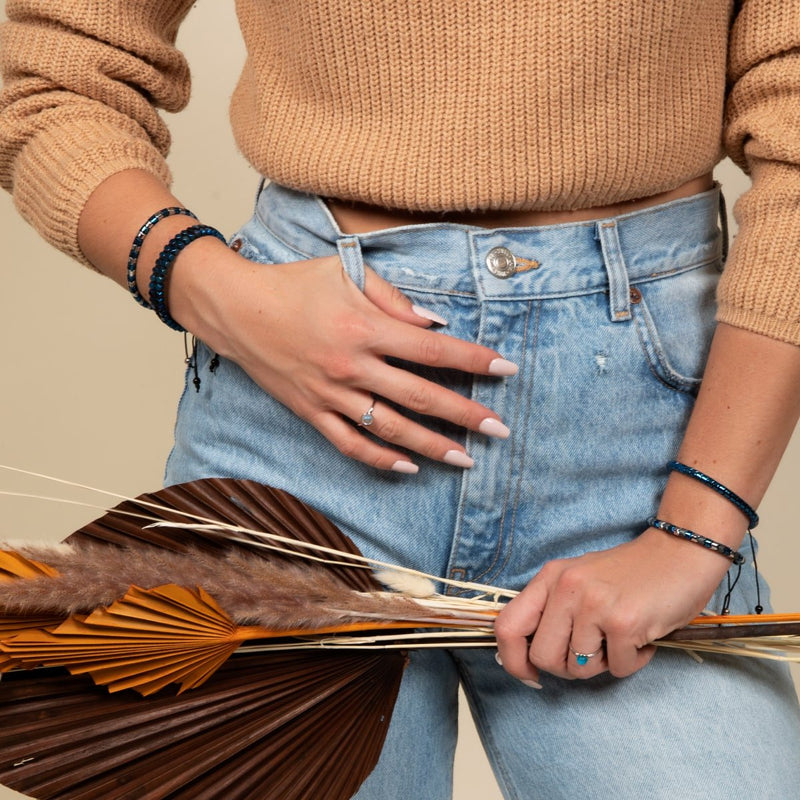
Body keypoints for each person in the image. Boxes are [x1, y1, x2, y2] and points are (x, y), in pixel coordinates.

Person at [2, 2, 800, 798]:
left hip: (644, 458)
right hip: (291, 447)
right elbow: (55, 66)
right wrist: (209, 286)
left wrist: (694, 535)